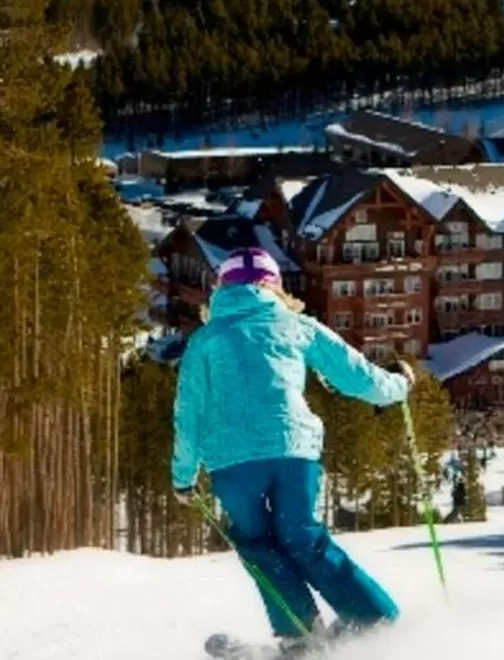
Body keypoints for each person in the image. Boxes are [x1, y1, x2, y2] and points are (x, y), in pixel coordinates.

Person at [172, 248, 411, 650]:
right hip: (293, 452)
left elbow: (188, 412)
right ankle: (372, 617)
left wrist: (182, 476)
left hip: (232, 463)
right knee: (301, 534)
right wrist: (400, 385)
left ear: (220, 290)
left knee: (258, 543)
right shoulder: (296, 325)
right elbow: (356, 377)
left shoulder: (204, 341)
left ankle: (299, 636)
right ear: (275, 287)